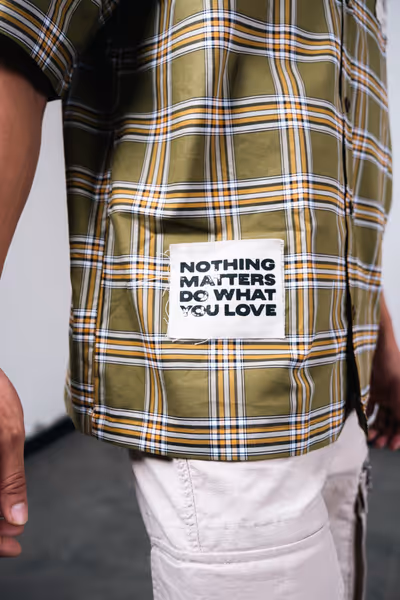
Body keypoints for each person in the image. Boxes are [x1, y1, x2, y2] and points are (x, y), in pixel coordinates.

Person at [0, 0, 398, 598]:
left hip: (338, 381)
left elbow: (326, 167)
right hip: (219, 383)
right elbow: (19, 37)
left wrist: (375, 331)